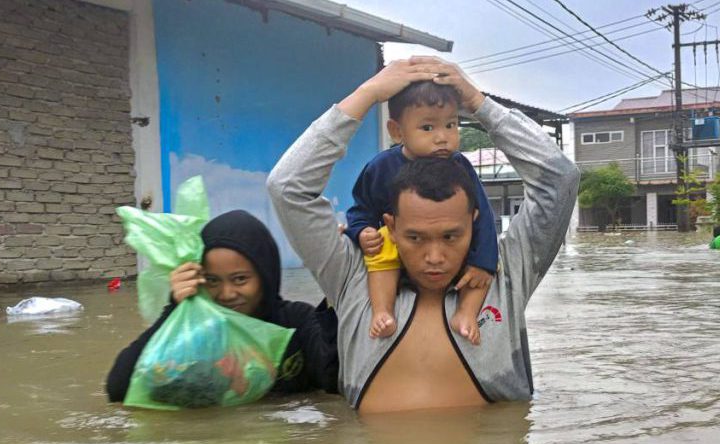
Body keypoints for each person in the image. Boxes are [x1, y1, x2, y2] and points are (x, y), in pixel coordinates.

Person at [266, 56, 579, 413]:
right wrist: (367, 95)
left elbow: (560, 180)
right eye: (415, 238)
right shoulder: (355, 276)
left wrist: (478, 103)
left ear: (475, 221)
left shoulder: (502, 277)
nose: (434, 257)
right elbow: (287, 187)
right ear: (392, 226)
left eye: (451, 236)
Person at [105, 210, 340, 403]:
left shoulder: (295, 324)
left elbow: (335, 377)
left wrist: (337, 286)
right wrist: (174, 310)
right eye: (213, 281)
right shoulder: (197, 333)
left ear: (265, 276)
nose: (226, 294)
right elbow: (119, 388)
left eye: (240, 279)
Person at [344, 81, 498, 343]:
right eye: (428, 127)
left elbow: (482, 216)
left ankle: (466, 313)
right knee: (382, 250)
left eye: (450, 125)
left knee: (480, 272)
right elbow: (361, 208)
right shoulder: (381, 167)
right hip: (397, 247)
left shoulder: (460, 167)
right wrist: (360, 232)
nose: (442, 137)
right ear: (396, 131)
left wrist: (483, 262)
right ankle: (382, 312)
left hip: (455, 255)